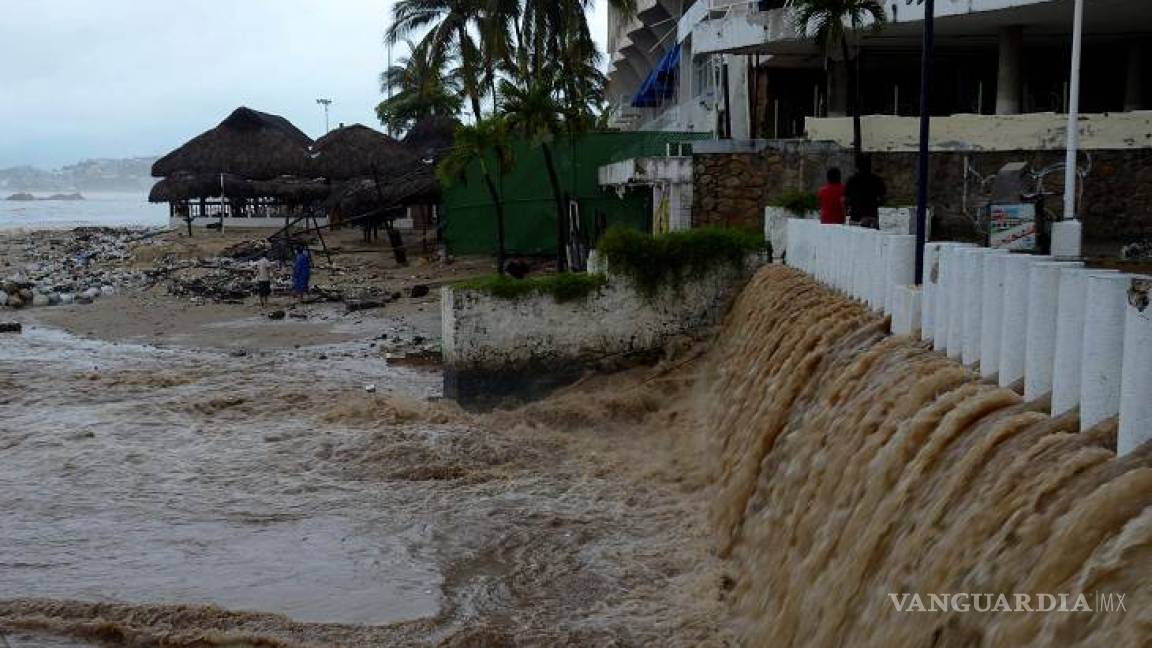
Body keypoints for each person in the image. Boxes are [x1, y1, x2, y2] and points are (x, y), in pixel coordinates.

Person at [845, 155, 887, 229]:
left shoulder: (851, 180)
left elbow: (846, 198)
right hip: (872, 215)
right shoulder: (877, 180)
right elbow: (883, 198)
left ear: (857, 166)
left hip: (856, 216)